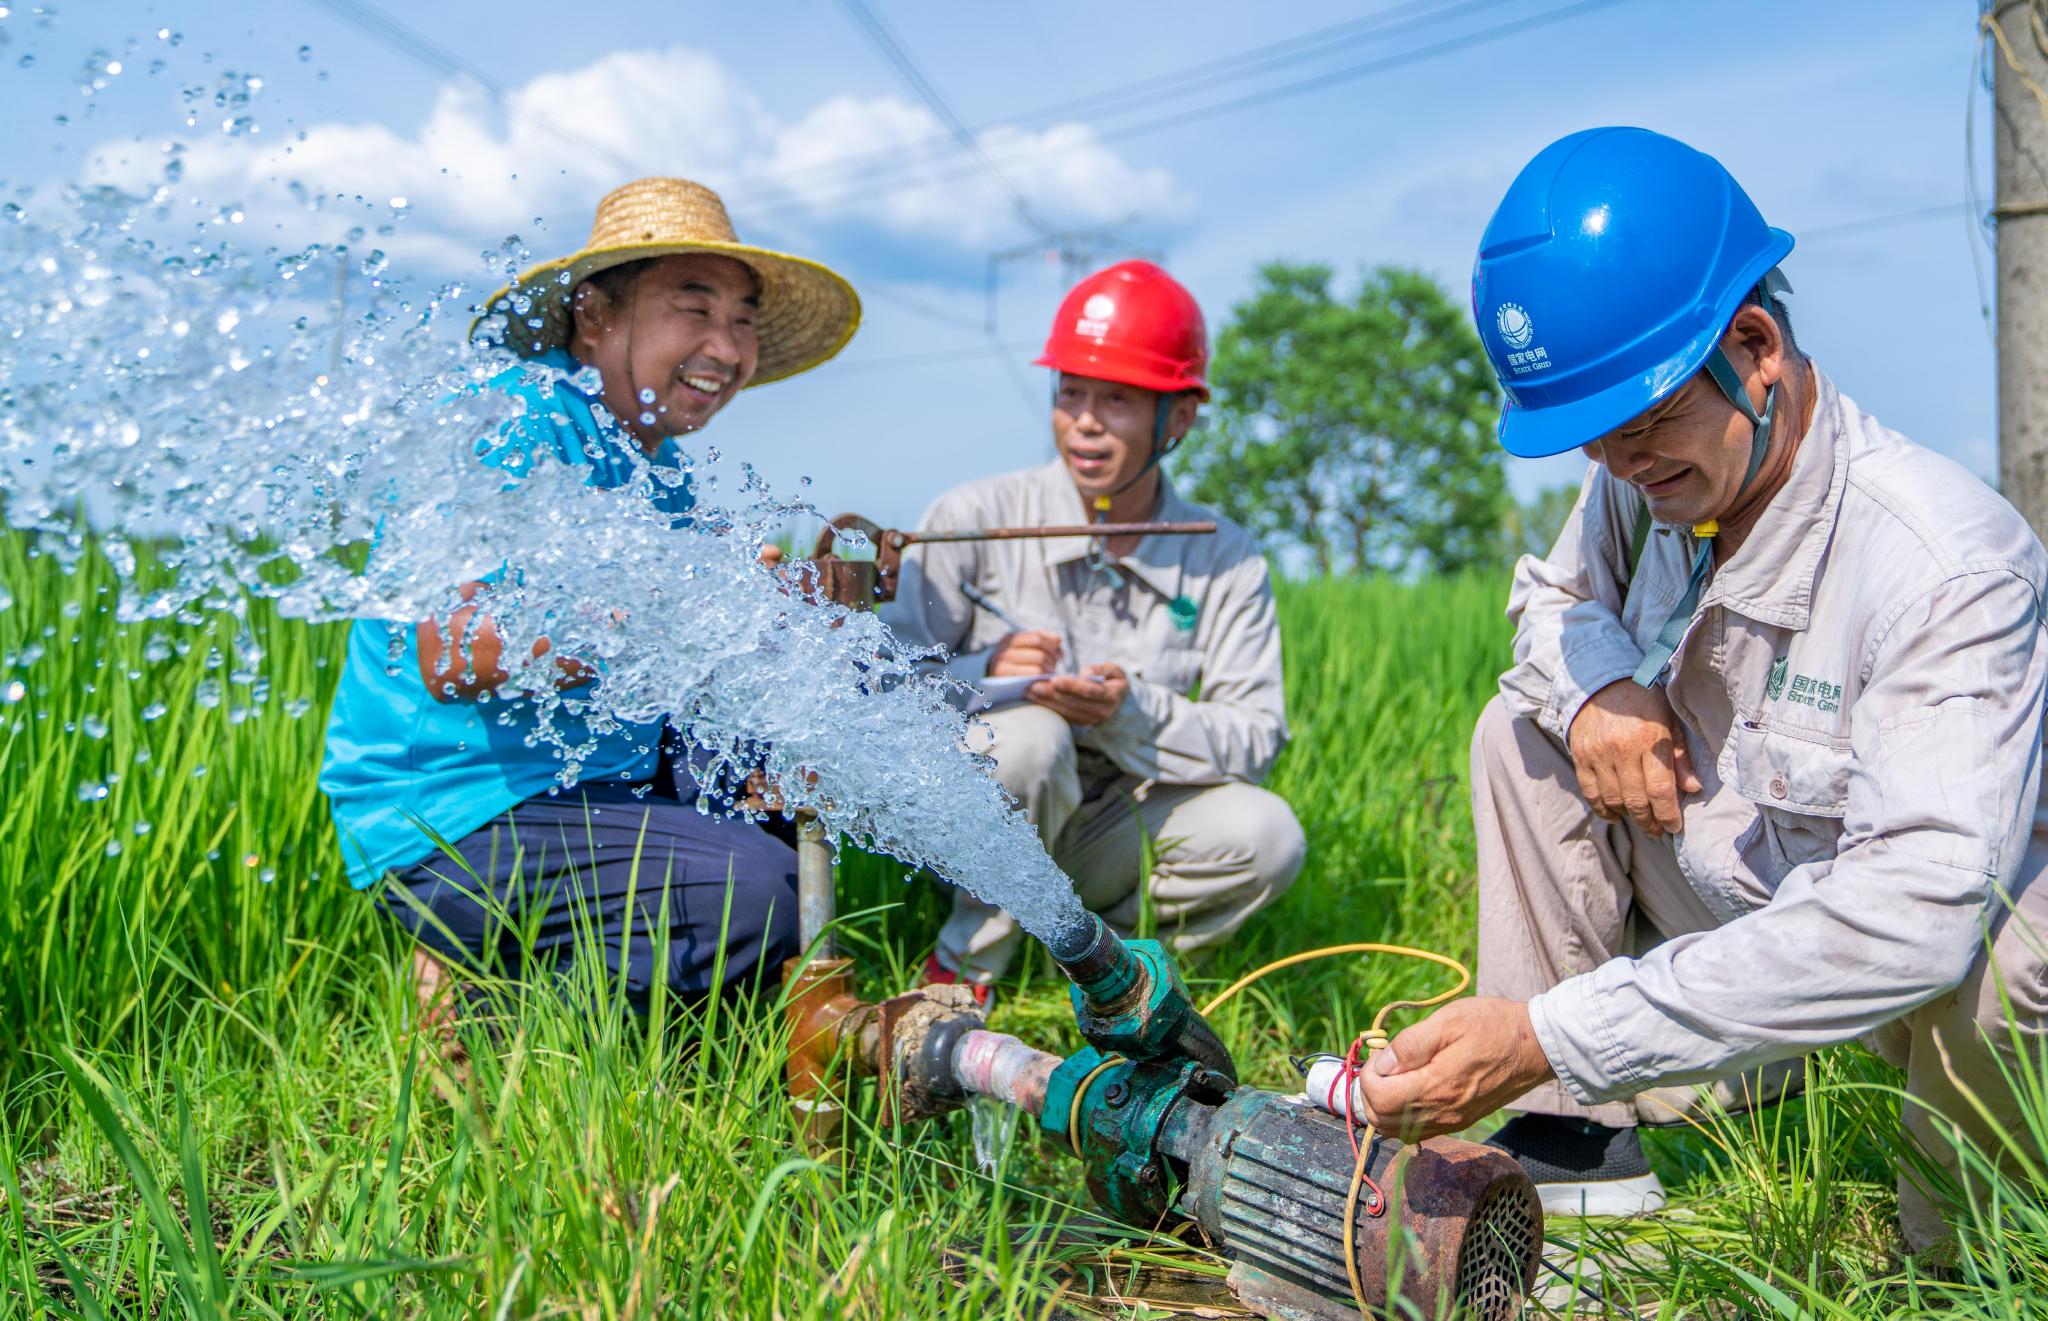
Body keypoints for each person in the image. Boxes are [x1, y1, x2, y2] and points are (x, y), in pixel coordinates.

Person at [1354, 127, 2048, 1248]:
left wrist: (1545, 1031)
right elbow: (1548, 602)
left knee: (2016, 950)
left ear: (1753, 347)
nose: (1619, 465)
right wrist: (1596, 692)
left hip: (1912, 980)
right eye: (1591, 440)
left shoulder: (1941, 565)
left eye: (1641, 424)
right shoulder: (1652, 481)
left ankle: (1958, 1261)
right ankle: (1572, 1158)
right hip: (1738, 904)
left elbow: (1919, 916)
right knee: (1521, 734)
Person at [319, 177, 861, 1020]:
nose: (725, 347)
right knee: (758, 891)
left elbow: (671, 644)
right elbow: (454, 654)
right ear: (595, 315)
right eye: (694, 309)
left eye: (742, 320)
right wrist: (679, 603)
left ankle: (671, 1028)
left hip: (588, 779)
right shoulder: (513, 421)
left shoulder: (657, 465)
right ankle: (491, 1014)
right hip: (456, 807)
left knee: (783, 783)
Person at [885, 260, 1306, 997]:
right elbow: (888, 691)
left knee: (1267, 836)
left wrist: (1127, 711)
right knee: (1031, 739)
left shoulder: (1223, 555)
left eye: (1116, 399)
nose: (1085, 419)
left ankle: (1099, 967)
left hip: (1113, 823)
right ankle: (965, 968)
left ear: (1179, 418)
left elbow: (1255, 737)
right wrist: (989, 672)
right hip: (973, 818)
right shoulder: (971, 518)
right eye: (1071, 392)